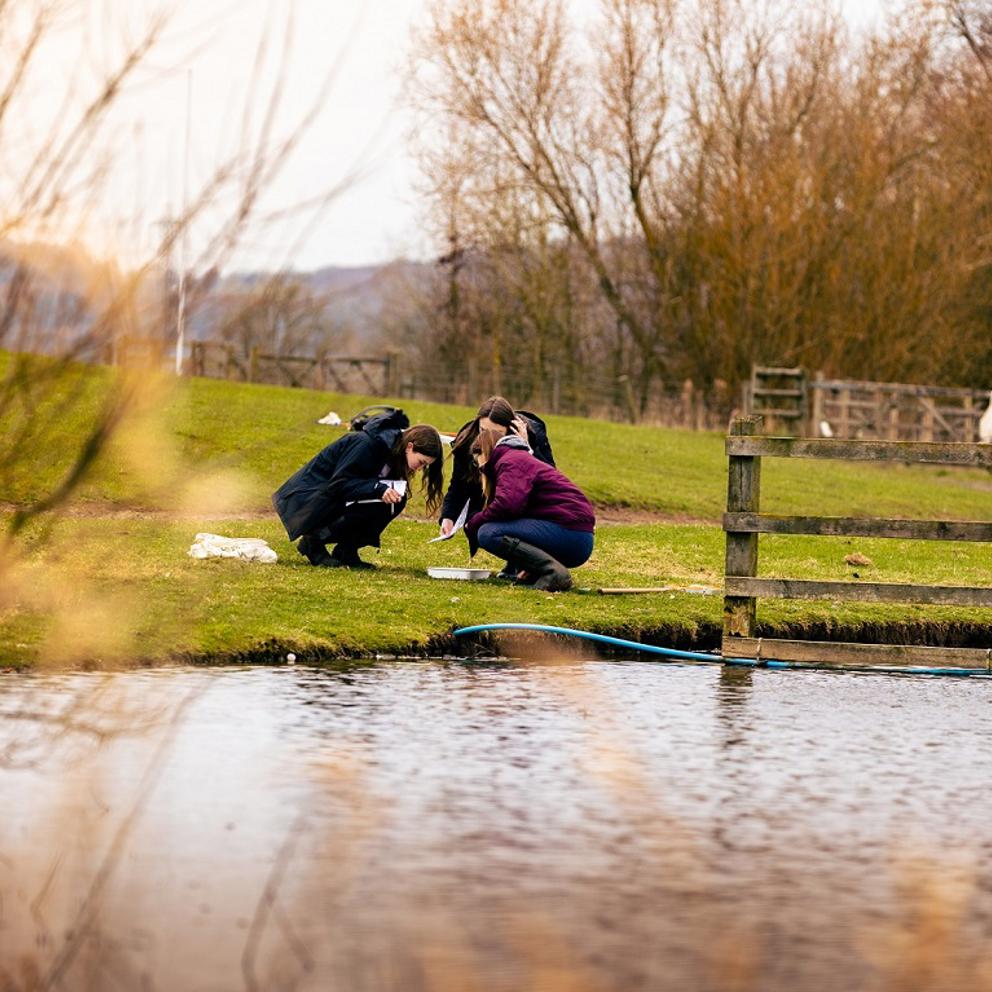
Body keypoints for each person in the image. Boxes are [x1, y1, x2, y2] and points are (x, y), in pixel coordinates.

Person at [273, 409, 443, 569]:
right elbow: (339, 483)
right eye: (421, 462)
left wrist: (381, 489)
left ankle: (347, 550)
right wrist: (378, 488)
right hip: (307, 499)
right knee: (383, 495)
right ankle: (313, 541)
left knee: (396, 499)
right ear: (410, 447)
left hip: (331, 497)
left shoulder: (393, 451)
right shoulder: (366, 444)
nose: (420, 469)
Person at [464, 428, 595, 592]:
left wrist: (474, 522)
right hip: (576, 535)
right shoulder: (518, 458)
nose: (479, 467)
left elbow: (507, 505)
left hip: (572, 535)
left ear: (483, 452)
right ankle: (537, 571)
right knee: (493, 528)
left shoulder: (511, 461)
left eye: (477, 462)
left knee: (488, 533)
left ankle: (553, 572)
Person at [439, 396, 555, 538]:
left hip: (524, 504)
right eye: (483, 430)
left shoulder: (532, 435)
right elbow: (458, 485)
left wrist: (526, 448)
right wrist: (448, 517)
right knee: (480, 527)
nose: (488, 437)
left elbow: (550, 478)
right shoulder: (467, 441)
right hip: (487, 501)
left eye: (497, 433)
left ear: (510, 429)